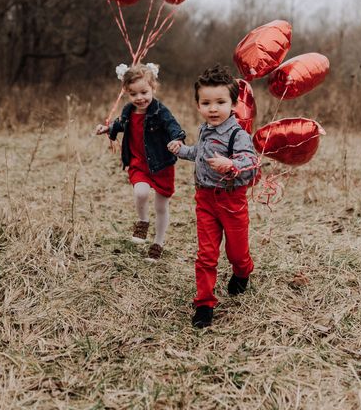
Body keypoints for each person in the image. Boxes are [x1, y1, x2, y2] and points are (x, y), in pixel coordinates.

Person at [168, 64, 258, 328]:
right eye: (206, 103)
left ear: (233, 104)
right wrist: (181, 150)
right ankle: (204, 304)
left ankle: (243, 272)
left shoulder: (237, 134)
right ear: (198, 105)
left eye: (220, 102)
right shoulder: (204, 129)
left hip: (231, 201)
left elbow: (251, 161)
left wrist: (232, 165)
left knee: (236, 253)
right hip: (205, 200)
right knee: (206, 254)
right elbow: (200, 153)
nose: (213, 108)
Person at [96, 62, 185, 261]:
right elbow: (120, 124)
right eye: (133, 94)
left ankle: (158, 242)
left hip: (161, 165)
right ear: (126, 92)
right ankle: (143, 221)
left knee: (161, 207)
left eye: (144, 92)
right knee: (141, 192)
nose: (140, 98)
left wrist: (177, 139)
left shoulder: (160, 111)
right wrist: (107, 129)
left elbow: (173, 126)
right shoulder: (129, 110)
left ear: (153, 87)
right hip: (138, 162)